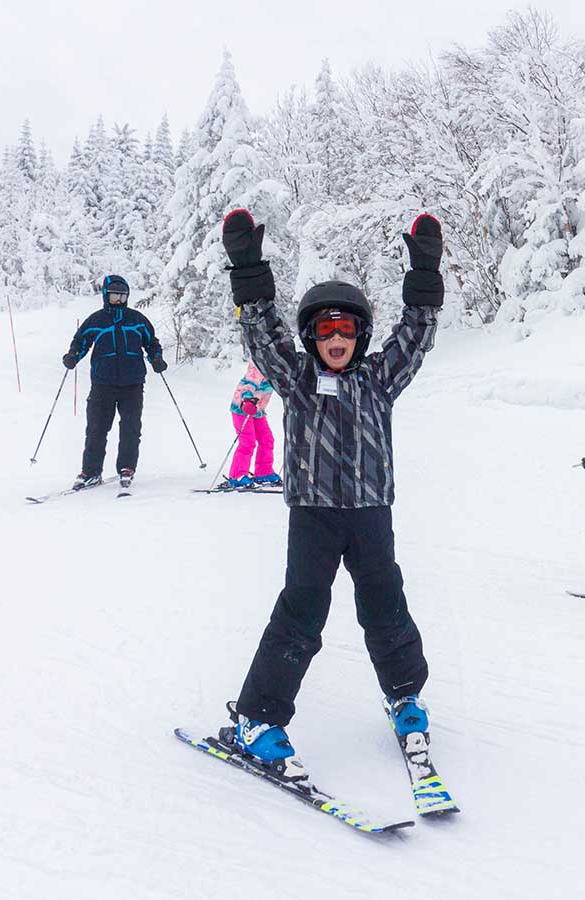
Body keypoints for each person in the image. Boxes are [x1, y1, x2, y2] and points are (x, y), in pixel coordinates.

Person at [218, 207, 443, 779]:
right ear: (310, 337)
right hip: (313, 518)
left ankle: (405, 698)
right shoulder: (295, 379)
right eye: (324, 330)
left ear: (360, 335)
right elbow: (262, 334)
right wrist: (248, 271)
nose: (336, 339)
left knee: (386, 608)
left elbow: (416, 336)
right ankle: (258, 719)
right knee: (301, 615)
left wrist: (424, 276)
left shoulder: (380, 378)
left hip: (371, 515)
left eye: (345, 329)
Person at [62, 275, 166, 490]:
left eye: (122, 296)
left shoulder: (137, 319)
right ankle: (91, 471)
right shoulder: (96, 320)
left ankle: (127, 467)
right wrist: (73, 356)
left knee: (130, 428)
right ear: (105, 296)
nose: (118, 300)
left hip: (132, 383)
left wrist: (156, 358)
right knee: (96, 429)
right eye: (114, 296)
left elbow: (151, 342)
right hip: (103, 384)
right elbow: (81, 341)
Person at [222, 358, 278, 489]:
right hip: (242, 408)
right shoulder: (259, 363)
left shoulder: (277, 366)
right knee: (247, 441)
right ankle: (237, 475)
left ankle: (264, 472)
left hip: (257, 410)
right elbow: (248, 384)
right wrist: (247, 400)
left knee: (267, 439)